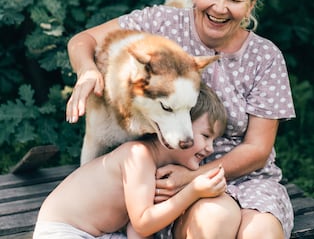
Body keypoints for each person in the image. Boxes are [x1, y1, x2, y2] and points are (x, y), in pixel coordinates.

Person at [66, 0, 296, 239]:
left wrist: (193, 176)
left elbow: (257, 149)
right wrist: (87, 71)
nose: (219, 7)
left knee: (263, 233)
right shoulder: (161, 24)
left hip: (245, 177)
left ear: (252, 3)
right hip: (169, 178)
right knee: (214, 221)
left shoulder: (266, 57)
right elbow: (83, 41)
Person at [34, 84, 228, 239]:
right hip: (62, 232)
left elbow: (136, 229)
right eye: (205, 135)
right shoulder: (138, 155)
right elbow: (143, 223)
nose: (210, 148)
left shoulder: (157, 168)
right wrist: (192, 191)